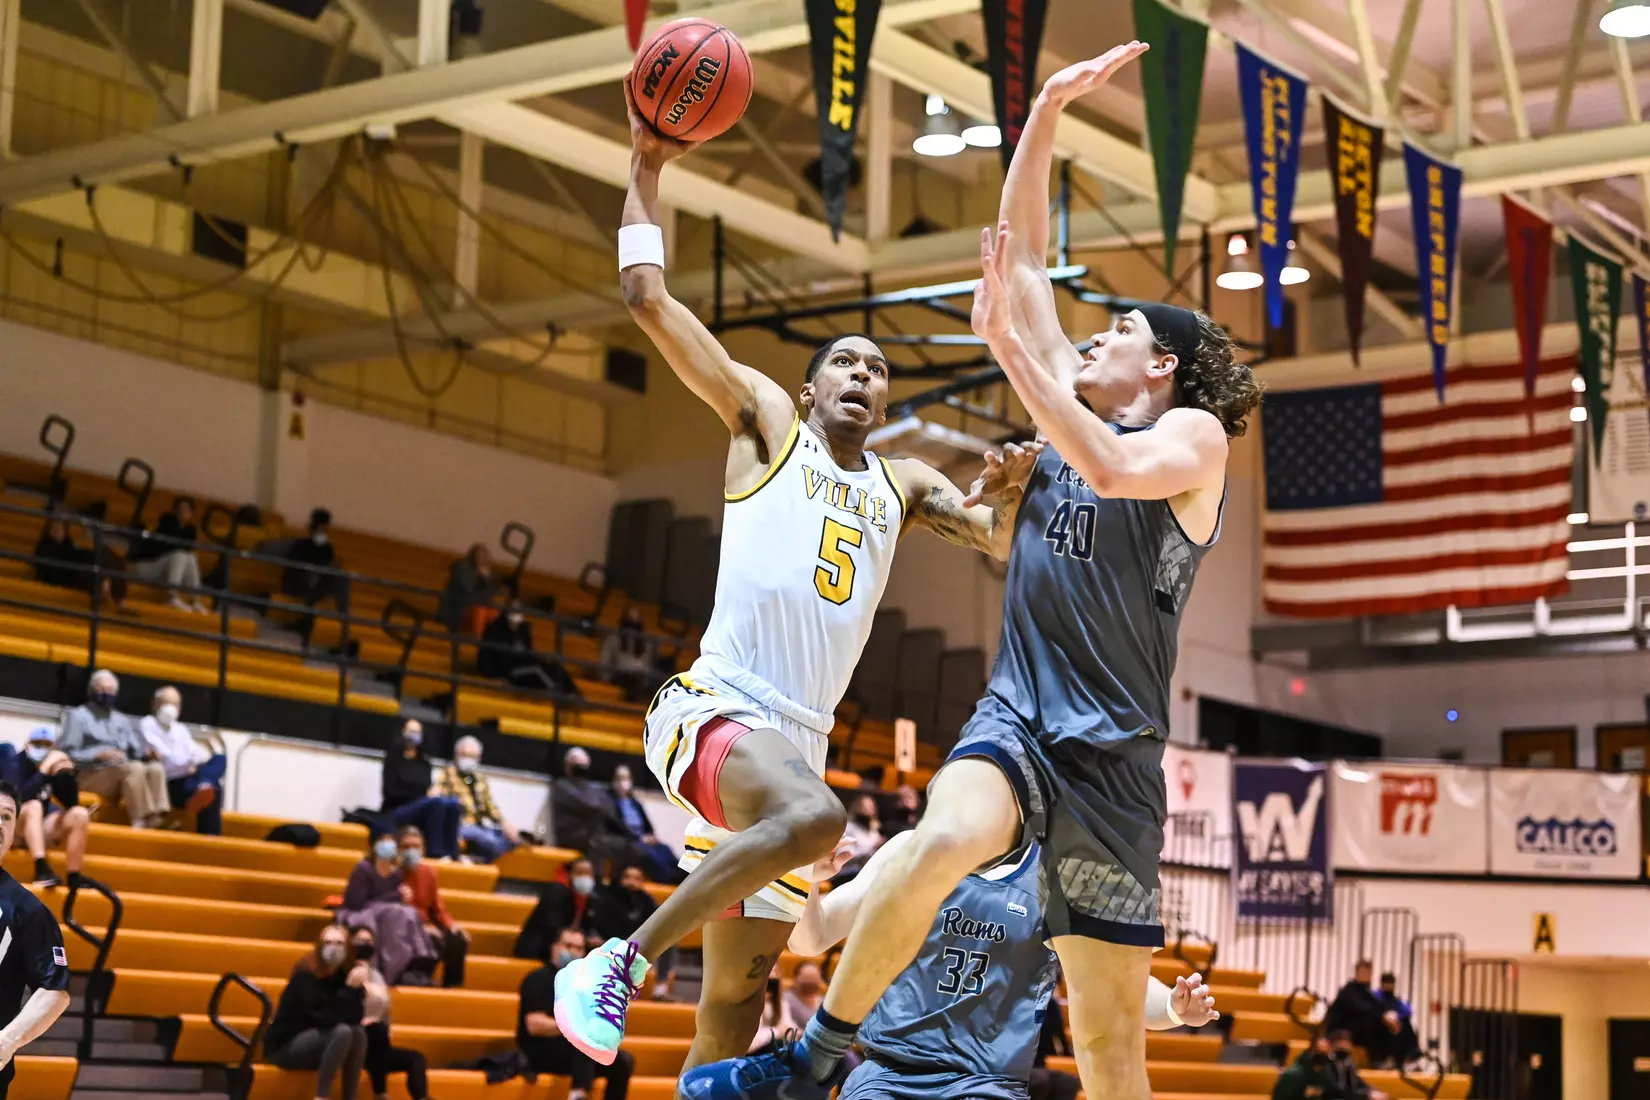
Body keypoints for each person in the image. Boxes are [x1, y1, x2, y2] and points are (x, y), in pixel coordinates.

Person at [686, 41, 1265, 1100]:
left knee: (1106, 1048)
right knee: (945, 833)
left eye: (1119, 330)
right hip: (1018, 717)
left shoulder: (1193, 442)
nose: (1092, 335)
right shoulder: (1068, 396)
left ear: (1164, 365)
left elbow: (1106, 460)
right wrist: (1039, 114)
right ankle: (814, 1063)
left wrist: (1012, 354)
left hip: (1112, 760)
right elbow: (1028, 256)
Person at [554, 78, 1040, 1069]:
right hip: (719, 707)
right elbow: (647, 300)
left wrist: (1013, 489)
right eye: (848, 364)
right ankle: (617, 961)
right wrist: (645, 170)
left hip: (798, 743)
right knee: (817, 818)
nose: (865, 376)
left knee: (734, 1005)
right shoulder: (770, 424)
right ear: (814, 385)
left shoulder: (902, 483)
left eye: (879, 371)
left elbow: (994, 541)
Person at [681, 829, 1218, 1100]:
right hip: (887, 1073)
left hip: (983, 1084)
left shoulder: (1055, 877)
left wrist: (1171, 1006)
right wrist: (810, 881)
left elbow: (1110, 989)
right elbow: (814, 936)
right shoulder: (913, 850)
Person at [0, 780, 72, 1098]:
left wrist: (6, 1042)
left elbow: (54, 991)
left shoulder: (27, 910)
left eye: (6, 816)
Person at [519, 927, 634, 1100]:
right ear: (555, 947)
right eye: (568, 946)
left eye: (579, 948)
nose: (573, 952)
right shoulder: (538, 978)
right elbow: (534, 1025)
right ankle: (578, 1094)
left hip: (573, 1054)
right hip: (539, 1050)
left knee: (622, 1061)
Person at [264, 925, 369, 1100]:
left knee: (359, 1033)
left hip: (326, 1044)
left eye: (339, 943)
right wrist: (349, 990)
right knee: (342, 1031)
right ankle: (322, 1096)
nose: (333, 948)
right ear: (320, 947)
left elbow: (355, 1018)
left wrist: (356, 990)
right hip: (288, 1045)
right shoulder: (305, 976)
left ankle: (350, 1097)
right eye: (328, 943)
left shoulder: (345, 976)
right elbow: (324, 1019)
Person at [59, 670, 172, 827]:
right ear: (93, 690)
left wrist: (147, 753)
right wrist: (98, 755)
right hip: (90, 773)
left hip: (121, 769)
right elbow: (67, 753)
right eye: (103, 690)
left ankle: (159, 816)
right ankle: (141, 821)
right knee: (133, 768)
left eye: (111, 691)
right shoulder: (78, 716)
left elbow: (136, 751)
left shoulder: (121, 719)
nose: (107, 694)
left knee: (155, 768)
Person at [339, 834, 438, 986]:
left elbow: (394, 898)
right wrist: (396, 894)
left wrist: (402, 895)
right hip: (363, 911)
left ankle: (407, 963)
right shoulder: (363, 869)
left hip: (389, 912)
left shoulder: (396, 872)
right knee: (398, 914)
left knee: (408, 913)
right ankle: (384, 969)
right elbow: (356, 902)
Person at [346, 926, 429, 1100]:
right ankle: (380, 1094)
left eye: (369, 941)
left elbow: (385, 1009)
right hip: (352, 1042)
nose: (365, 945)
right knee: (376, 1029)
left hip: (378, 1045)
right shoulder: (342, 972)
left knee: (416, 1058)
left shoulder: (377, 975)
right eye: (360, 941)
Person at [0, 729, 88, 888]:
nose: (41, 748)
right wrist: (43, 770)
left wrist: (67, 775)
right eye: (37, 744)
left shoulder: (53, 768)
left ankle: (74, 877)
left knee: (79, 814)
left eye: (47, 745)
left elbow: (71, 803)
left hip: (38, 829)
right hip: (11, 826)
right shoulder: (13, 762)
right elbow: (16, 799)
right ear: (27, 745)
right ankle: (41, 869)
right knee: (34, 806)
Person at [138, 686, 226, 834]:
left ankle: (204, 783)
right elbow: (169, 761)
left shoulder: (180, 729)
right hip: (167, 784)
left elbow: (198, 756)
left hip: (186, 778)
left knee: (219, 759)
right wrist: (189, 764)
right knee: (215, 789)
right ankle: (210, 836)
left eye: (175, 705)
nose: (171, 708)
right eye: (166, 703)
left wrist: (193, 765)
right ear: (155, 704)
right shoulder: (147, 724)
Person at [395, 826, 469, 988]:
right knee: (431, 938)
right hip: (401, 928)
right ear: (397, 849)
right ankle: (421, 981)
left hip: (427, 927)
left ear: (423, 849)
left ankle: (453, 987)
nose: (411, 851)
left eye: (416, 847)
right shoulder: (389, 873)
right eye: (406, 847)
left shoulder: (429, 873)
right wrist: (420, 927)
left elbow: (437, 907)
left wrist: (451, 925)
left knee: (458, 940)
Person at [588, 865, 674, 1001]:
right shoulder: (607, 897)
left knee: (669, 939)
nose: (632, 882)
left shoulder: (646, 900)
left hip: (635, 945)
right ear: (620, 879)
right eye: (627, 877)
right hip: (609, 943)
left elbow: (658, 924)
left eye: (637, 878)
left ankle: (660, 989)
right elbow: (593, 925)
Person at [379, 721, 462, 860]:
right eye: (410, 731)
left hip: (421, 806)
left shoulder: (424, 762)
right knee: (437, 803)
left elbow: (427, 787)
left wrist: (430, 794)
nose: (413, 736)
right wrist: (422, 795)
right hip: (397, 809)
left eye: (417, 732)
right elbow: (390, 791)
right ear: (403, 732)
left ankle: (453, 854)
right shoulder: (392, 759)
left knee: (453, 803)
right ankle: (436, 853)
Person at [436, 736, 519, 863]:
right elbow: (440, 799)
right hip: (460, 825)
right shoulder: (448, 774)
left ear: (478, 758)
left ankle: (477, 858)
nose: (468, 760)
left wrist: (504, 824)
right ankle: (480, 857)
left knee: (514, 839)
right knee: (489, 840)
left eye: (472, 757)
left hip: (479, 825)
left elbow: (490, 807)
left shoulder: (480, 779)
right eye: (465, 755)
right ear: (456, 755)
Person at [478, 597, 580, 697]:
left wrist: (540, 659)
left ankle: (574, 693)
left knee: (555, 667)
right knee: (537, 670)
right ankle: (558, 694)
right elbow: (494, 657)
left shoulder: (523, 629)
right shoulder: (496, 629)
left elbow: (529, 651)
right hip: (507, 669)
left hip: (524, 665)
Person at [550, 748, 630, 869]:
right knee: (598, 844)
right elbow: (588, 806)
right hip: (571, 835)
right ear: (567, 767)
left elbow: (608, 807)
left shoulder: (591, 788)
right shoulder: (561, 786)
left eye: (583, 767)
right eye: (577, 766)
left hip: (592, 834)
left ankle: (616, 883)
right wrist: (598, 808)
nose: (581, 770)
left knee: (624, 844)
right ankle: (596, 883)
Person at [281, 508, 350, 647]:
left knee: (342, 580)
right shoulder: (301, 544)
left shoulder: (327, 547)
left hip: (318, 582)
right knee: (312, 576)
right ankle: (306, 623)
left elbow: (327, 563)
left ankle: (343, 628)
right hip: (297, 581)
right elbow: (293, 565)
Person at [125, 497, 208, 612]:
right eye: (181, 509)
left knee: (191, 557)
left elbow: (188, 548)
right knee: (180, 555)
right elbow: (167, 547)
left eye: (187, 510)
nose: (183, 512)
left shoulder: (191, 530)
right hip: (151, 565)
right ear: (175, 510)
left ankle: (195, 600)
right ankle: (171, 597)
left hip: (168, 570)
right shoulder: (167, 521)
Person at [33, 516, 127, 610]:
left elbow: (76, 555)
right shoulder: (44, 549)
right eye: (54, 529)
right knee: (92, 571)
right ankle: (103, 588)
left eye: (61, 529)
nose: (58, 531)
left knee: (107, 556)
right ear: (48, 531)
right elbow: (50, 571)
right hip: (67, 577)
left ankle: (118, 599)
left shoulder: (67, 545)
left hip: (76, 571)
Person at [607, 765, 679, 884]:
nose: (623, 782)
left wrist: (650, 836)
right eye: (620, 778)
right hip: (629, 840)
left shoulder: (635, 803)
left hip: (643, 838)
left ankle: (682, 875)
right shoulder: (609, 802)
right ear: (613, 781)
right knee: (647, 853)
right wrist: (639, 838)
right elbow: (617, 825)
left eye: (626, 778)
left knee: (664, 848)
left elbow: (647, 824)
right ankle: (668, 879)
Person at [515, 857, 598, 962]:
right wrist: (583, 939)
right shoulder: (556, 893)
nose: (585, 878)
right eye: (580, 873)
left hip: (565, 948)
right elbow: (552, 927)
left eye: (589, 874)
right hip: (537, 951)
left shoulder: (589, 899)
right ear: (570, 874)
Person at [1326, 961, 1396, 1065]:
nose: (1366, 976)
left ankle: (1401, 1059)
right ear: (1357, 973)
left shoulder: (1366, 991)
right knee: (1371, 1023)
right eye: (1363, 972)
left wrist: (1389, 1017)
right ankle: (1377, 1060)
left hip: (1357, 1028)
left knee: (1400, 1024)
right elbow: (1360, 1008)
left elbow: (1377, 1007)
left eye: (1368, 973)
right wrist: (1382, 1016)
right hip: (1341, 1028)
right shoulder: (1349, 990)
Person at [600, 607, 661, 703]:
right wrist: (605, 678)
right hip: (620, 674)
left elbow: (647, 665)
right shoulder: (613, 639)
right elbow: (605, 660)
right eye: (630, 621)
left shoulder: (646, 643)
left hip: (640, 676)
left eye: (636, 621)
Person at [439, 543, 499, 633]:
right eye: (479, 555)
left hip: (477, 607)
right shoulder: (461, 569)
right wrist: (481, 578)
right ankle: (480, 642)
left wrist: (486, 579)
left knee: (496, 613)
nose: (482, 558)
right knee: (480, 610)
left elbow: (489, 595)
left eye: (484, 556)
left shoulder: (488, 575)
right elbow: (468, 591)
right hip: (459, 609)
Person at [1372, 972, 1419, 1067]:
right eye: (1386, 983)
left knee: (1405, 1024)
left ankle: (1408, 1056)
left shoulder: (1395, 1000)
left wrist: (1396, 1018)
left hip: (1395, 1026)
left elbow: (1406, 1010)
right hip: (1379, 1026)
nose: (1388, 986)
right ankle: (1387, 1058)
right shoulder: (1375, 997)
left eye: (1390, 983)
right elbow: (1374, 1011)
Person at [782, 962, 824, 1032]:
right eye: (806, 979)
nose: (810, 982)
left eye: (813, 979)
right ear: (795, 979)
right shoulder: (785, 1000)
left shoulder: (825, 1002)